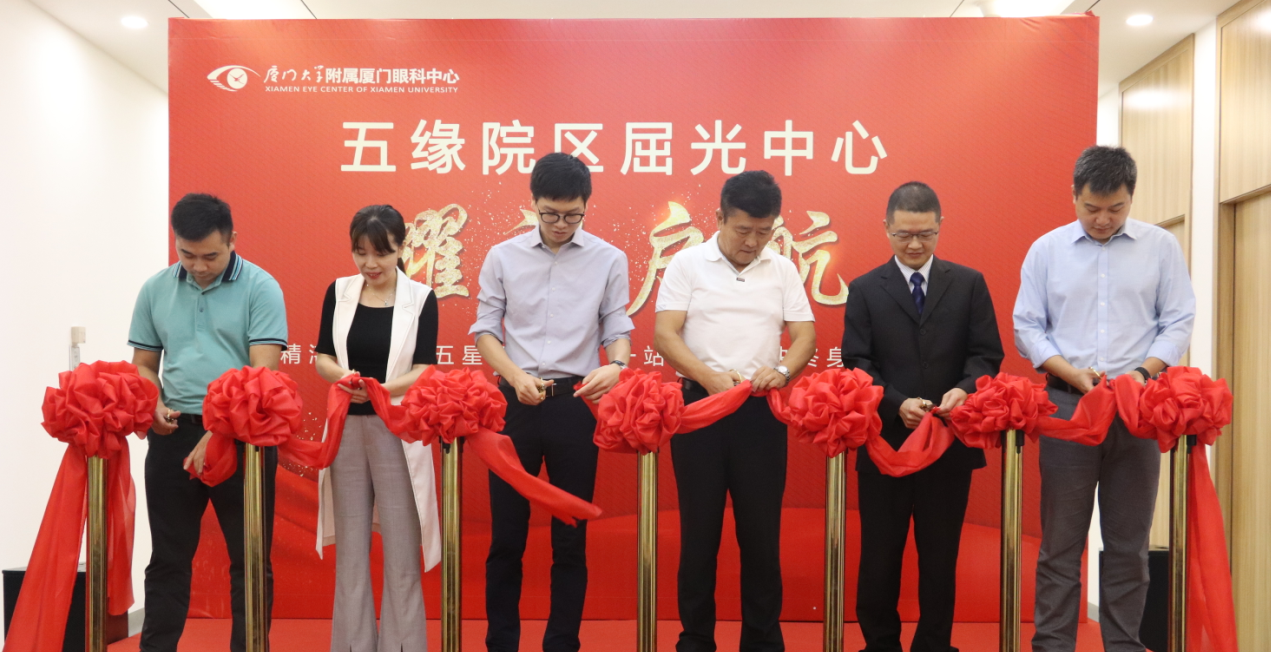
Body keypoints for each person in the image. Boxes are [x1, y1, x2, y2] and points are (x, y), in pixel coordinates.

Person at [1013, 146, 1195, 652]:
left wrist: (1140, 373)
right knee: (1060, 544)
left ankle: (1123, 645)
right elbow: (1027, 326)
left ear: (1131, 197)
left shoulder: (1160, 247)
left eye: (1116, 208)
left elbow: (1177, 320)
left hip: (1137, 409)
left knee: (1128, 546)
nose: (1102, 219)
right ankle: (1053, 645)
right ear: (1074, 195)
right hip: (1068, 408)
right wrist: (1071, 373)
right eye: (1091, 207)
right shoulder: (1047, 250)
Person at [469, 152, 634, 652]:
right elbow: (485, 330)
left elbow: (617, 327)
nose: (561, 224)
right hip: (514, 403)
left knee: (570, 536)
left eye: (572, 215)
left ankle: (562, 642)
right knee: (506, 536)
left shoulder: (608, 258)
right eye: (550, 213)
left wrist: (617, 365)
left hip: (573, 404)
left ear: (586, 205)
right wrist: (515, 376)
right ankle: (501, 642)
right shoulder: (503, 256)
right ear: (533, 203)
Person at [654, 170, 817, 652]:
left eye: (764, 232)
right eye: (743, 229)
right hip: (699, 411)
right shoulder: (687, 264)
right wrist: (707, 378)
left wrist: (782, 371)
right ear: (720, 218)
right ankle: (695, 640)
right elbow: (665, 334)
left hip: (758, 413)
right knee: (699, 534)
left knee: (761, 536)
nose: (752, 242)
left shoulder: (782, 269)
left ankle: (762, 641)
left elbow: (805, 337)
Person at [840, 181, 1004, 652]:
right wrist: (896, 403)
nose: (914, 245)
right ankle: (880, 644)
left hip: (948, 442)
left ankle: (934, 644)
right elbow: (856, 361)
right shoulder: (866, 289)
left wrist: (963, 389)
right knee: (880, 555)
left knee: (939, 556)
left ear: (940, 227)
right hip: (885, 442)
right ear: (886, 228)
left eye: (925, 234)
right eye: (904, 235)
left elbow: (986, 354)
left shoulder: (968, 283)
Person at [128, 193, 288, 652]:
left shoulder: (261, 288)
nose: (198, 266)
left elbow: (262, 375)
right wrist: (153, 402)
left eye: (211, 256)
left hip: (244, 440)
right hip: (174, 433)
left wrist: (220, 432)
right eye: (187, 254)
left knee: (249, 560)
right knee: (167, 559)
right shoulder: (155, 289)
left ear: (233, 240)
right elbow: (144, 364)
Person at [313, 205, 443, 652]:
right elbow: (323, 357)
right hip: (345, 430)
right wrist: (345, 380)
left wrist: (381, 391)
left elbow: (425, 369)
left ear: (401, 248)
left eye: (381, 253)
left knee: (402, 552)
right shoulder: (339, 291)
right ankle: (352, 645)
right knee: (351, 552)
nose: (370, 263)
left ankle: (402, 646)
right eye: (360, 252)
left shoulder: (421, 298)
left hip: (397, 430)